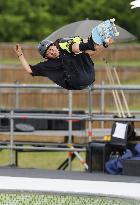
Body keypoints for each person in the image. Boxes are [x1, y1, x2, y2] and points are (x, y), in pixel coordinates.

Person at [14, 35, 113, 90]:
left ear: (54, 46)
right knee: (67, 45)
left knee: (77, 50)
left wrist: (104, 45)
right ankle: (89, 42)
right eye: (49, 53)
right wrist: (20, 54)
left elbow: (90, 54)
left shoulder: (63, 48)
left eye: (51, 48)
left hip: (89, 76)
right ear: (46, 57)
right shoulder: (48, 65)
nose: (52, 52)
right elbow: (29, 70)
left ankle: (95, 42)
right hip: (74, 82)